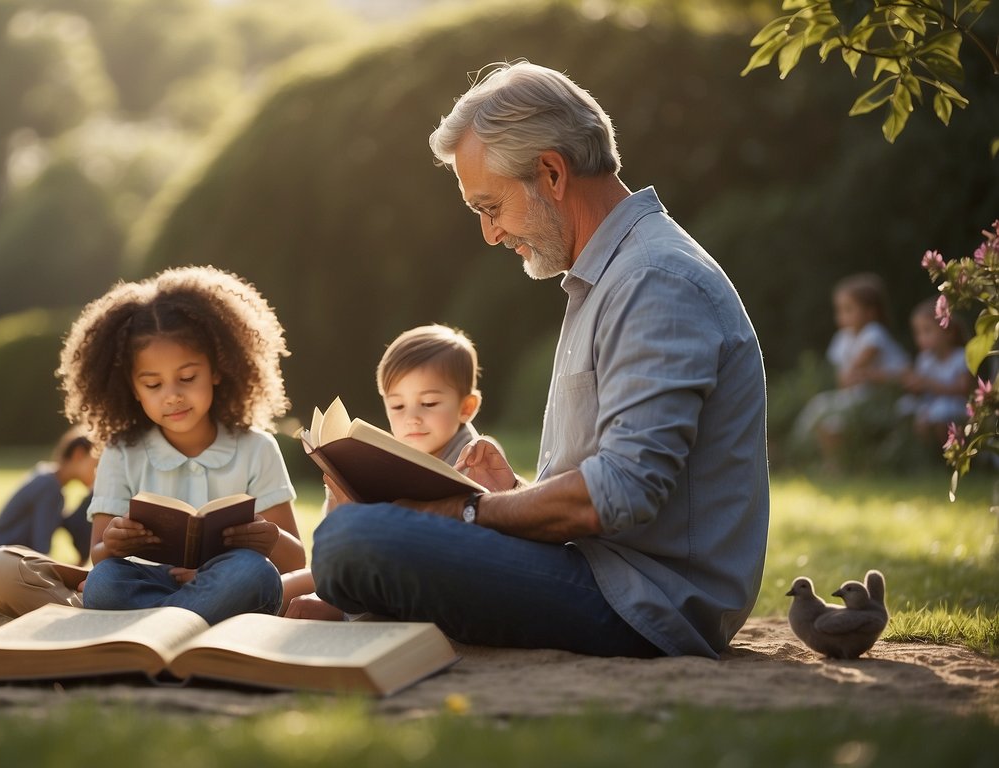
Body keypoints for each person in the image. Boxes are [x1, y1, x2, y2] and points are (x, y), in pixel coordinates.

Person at [310, 61, 769, 659]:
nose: (489, 234)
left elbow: (625, 491)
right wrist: (518, 494)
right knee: (353, 537)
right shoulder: (610, 277)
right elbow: (618, 484)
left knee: (352, 539)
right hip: (604, 571)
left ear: (551, 172)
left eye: (490, 206)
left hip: (645, 603)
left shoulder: (654, 281)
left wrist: (475, 511)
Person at [0, 266, 305, 623]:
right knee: (103, 582)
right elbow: (100, 556)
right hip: (146, 584)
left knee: (252, 572)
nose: (173, 396)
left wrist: (267, 537)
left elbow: (295, 561)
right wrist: (115, 543)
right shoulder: (121, 451)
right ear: (132, 389)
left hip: (223, 582)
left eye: (188, 377)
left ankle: (147, 625)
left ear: (217, 369)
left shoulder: (257, 448)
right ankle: (186, 622)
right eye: (153, 385)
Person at [283, 324, 497, 619]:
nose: (412, 418)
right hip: (364, 564)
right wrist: (340, 501)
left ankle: (341, 610)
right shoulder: (389, 456)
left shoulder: (477, 459)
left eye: (429, 403)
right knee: (284, 588)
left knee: (314, 602)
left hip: (427, 578)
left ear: (466, 407)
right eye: (397, 406)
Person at [792, 273, 910, 465]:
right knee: (828, 419)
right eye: (839, 310)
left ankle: (795, 449)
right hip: (860, 398)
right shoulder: (842, 338)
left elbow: (852, 373)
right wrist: (855, 377)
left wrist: (859, 376)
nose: (841, 316)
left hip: (883, 401)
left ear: (870, 312)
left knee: (821, 405)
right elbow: (844, 380)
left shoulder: (874, 334)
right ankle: (831, 465)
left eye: (848, 309)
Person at [0, 429, 98, 564]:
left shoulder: (48, 478)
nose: (96, 473)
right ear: (78, 454)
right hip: (3, 554)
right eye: (95, 465)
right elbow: (41, 548)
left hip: (0, 551)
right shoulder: (50, 487)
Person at [897, 299, 971, 448]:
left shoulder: (960, 357)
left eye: (927, 331)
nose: (921, 338)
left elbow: (964, 389)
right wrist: (913, 385)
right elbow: (920, 386)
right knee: (904, 407)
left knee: (940, 413)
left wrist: (931, 385)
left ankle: (947, 453)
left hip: (954, 404)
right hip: (930, 403)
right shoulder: (925, 359)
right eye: (918, 333)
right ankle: (923, 453)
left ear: (948, 331)